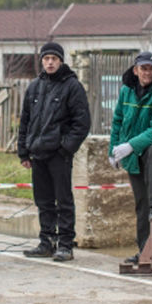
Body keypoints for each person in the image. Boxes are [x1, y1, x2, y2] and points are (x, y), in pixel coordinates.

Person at [18, 42, 90, 262]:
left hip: (58, 154)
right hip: (38, 152)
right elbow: (25, 121)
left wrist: (66, 147)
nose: (50, 62)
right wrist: (24, 151)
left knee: (63, 200)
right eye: (46, 58)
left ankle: (65, 244)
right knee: (43, 200)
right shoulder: (34, 87)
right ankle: (46, 241)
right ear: (41, 61)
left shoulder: (72, 87)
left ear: (61, 61)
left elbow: (82, 122)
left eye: (54, 59)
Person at [108, 51, 152, 264]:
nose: (147, 72)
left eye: (151, 68)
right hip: (132, 152)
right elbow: (117, 121)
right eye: (143, 68)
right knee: (141, 203)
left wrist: (130, 145)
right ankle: (145, 252)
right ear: (135, 70)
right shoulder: (126, 92)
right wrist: (113, 150)